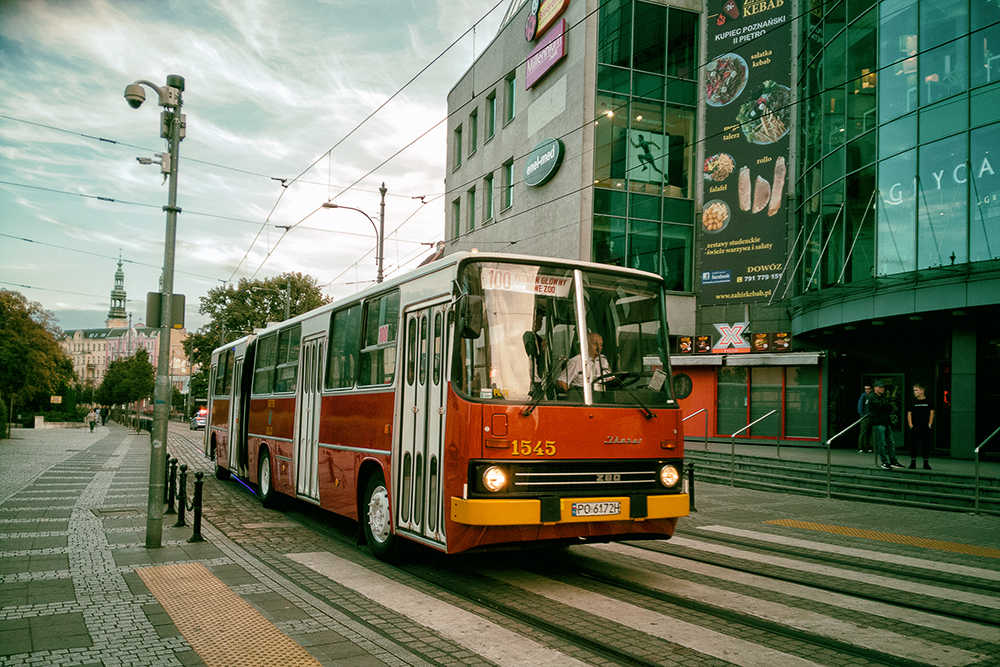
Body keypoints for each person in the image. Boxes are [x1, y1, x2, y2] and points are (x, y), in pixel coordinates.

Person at [869, 381, 903, 469]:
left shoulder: (881, 397)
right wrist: (888, 405)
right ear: (875, 388)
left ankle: (893, 461)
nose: (882, 389)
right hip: (878, 422)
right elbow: (881, 406)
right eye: (880, 387)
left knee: (890, 442)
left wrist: (887, 405)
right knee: (882, 443)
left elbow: (885, 406)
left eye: (883, 387)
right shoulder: (872, 397)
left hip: (885, 422)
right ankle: (885, 462)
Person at [522, 307, 551, 398]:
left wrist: (543, 352)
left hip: (537, 381)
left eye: (541, 320)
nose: (540, 323)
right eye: (537, 320)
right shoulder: (526, 336)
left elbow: (540, 367)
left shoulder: (539, 340)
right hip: (526, 380)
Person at [907, 383, 935, 470]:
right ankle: (913, 462)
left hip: (925, 427)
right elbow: (909, 413)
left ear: (922, 391)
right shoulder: (913, 403)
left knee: (925, 444)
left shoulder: (929, 402)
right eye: (914, 390)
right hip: (915, 426)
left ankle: (926, 463)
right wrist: (910, 424)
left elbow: (932, 413)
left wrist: (930, 424)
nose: (914, 392)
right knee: (913, 444)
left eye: (916, 390)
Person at [857, 384, 873, 453]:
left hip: (871, 416)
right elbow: (860, 406)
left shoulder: (872, 396)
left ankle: (867, 446)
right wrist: (862, 415)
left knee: (869, 433)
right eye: (866, 389)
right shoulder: (863, 396)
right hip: (865, 416)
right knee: (863, 432)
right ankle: (861, 447)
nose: (867, 390)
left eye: (868, 389)